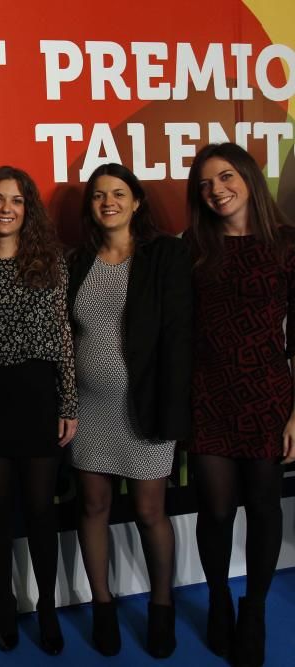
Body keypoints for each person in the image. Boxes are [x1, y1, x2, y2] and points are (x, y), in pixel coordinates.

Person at [67, 163, 191, 658]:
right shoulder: (77, 261)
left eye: (118, 193)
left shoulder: (164, 254)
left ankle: (162, 607)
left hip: (147, 407)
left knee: (148, 511)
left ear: (136, 202)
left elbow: (179, 336)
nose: (108, 202)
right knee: (93, 507)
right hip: (89, 408)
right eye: (99, 195)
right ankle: (102, 604)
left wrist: (176, 410)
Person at [0, 166, 76, 655]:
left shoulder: (53, 265)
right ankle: (6, 605)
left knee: (41, 511)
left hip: (38, 395)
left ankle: (47, 606)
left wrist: (68, 401)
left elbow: (64, 338)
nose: (7, 208)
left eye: (18, 200)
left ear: (29, 210)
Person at [185, 142, 295, 667]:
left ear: (249, 178)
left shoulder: (287, 246)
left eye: (225, 177)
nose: (217, 191)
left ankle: (253, 611)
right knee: (216, 510)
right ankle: (219, 601)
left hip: (269, 396)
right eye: (205, 184)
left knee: (265, 507)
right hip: (207, 396)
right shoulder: (194, 248)